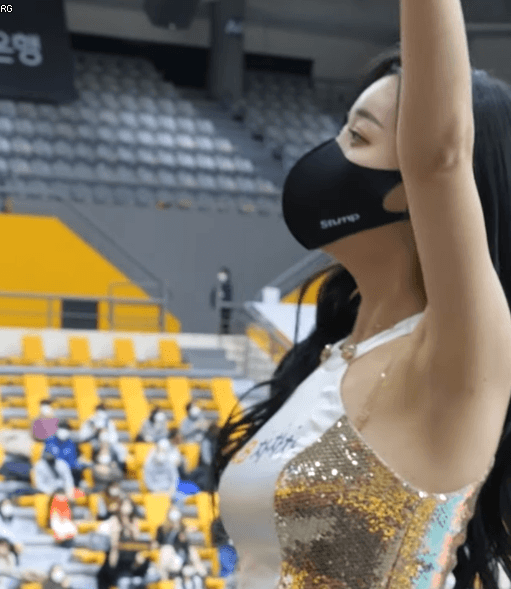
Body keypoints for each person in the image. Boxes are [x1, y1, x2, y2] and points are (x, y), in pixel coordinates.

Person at [209, 4, 511, 587]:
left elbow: (440, 157)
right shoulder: (329, 359)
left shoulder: (455, 355)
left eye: (356, 136)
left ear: (410, 190)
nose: (329, 153)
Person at [44, 421, 86, 487]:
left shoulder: (72, 443)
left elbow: (76, 460)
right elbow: (46, 457)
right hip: (55, 472)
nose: (63, 431)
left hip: (71, 471)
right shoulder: (50, 441)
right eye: (61, 428)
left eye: (65, 429)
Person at [209, 268, 233, 334]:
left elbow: (229, 298)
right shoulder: (216, 287)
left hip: (226, 310)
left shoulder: (228, 287)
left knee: (225, 322)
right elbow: (213, 297)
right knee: (220, 321)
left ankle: (225, 331)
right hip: (218, 310)